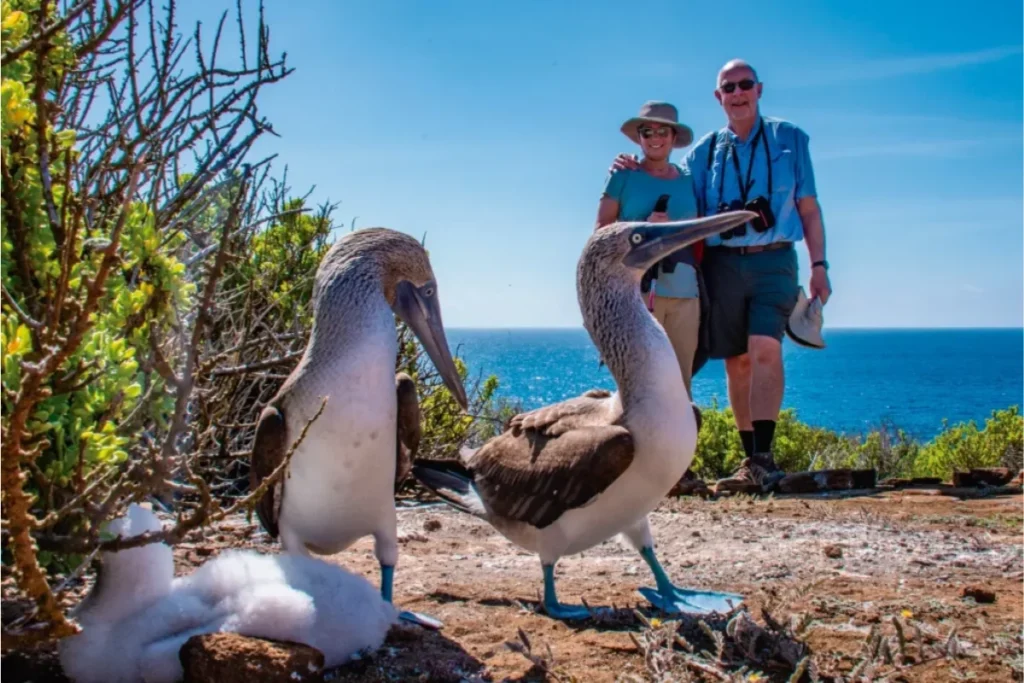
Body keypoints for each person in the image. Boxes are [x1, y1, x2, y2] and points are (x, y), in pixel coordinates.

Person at [609, 60, 832, 492]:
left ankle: (763, 459)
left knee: (765, 347)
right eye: (728, 87)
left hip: (775, 259)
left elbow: (808, 207)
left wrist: (820, 264)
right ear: (718, 97)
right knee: (738, 361)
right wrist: (634, 167)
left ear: (759, 89)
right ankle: (749, 462)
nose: (737, 93)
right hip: (723, 263)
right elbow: (672, 184)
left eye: (745, 85)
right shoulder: (704, 152)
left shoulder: (790, 139)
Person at [595, 101, 706, 398]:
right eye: (647, 131)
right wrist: (643, 229)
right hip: (636, 294)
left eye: (662, 131)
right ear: (639, 137)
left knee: (681, 384)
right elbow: (601, 231)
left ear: (673, 137)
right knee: (638, 381)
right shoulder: (623, 176)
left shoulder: (688, 180)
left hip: (685, 292)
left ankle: (680, 446)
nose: (655, 137)